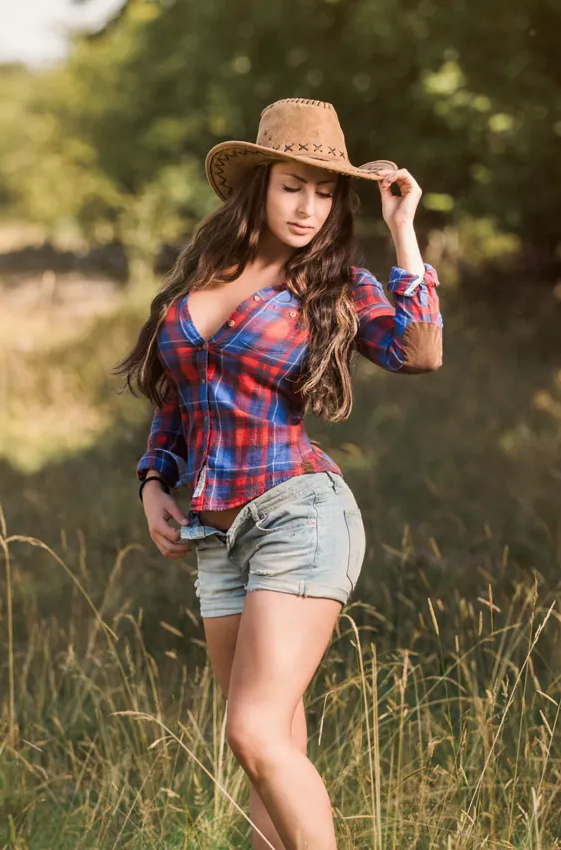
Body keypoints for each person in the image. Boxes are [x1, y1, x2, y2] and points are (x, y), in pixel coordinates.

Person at [114, 98, 444, 849]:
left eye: (326, 192)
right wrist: (151, 483)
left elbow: (420, 353)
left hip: (298, 515)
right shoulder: (202, 274)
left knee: (254, 732)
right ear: (259, 184)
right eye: (294, 185)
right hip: (214, 533)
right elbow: (177, 395)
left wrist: (402, 229)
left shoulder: (335, 286)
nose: (309, 206)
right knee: (272, 753)